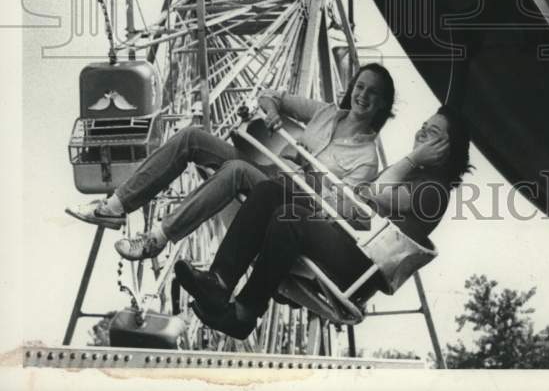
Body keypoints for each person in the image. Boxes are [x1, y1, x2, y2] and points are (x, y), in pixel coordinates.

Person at [174, 105, 471, 339]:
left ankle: (244, 313)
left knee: (289, 220)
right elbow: (364, 199)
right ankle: (219, 282)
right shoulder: (415, 175)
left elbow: (376, 194)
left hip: (360, 263)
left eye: (431, 133)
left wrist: (410, 158)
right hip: (346, 239)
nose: (421, 133)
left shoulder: (435, 190)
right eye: (423, 126)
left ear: (447, 149)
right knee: (270, 191)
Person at [65, 64, 395, 262]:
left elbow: (341, 207)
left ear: (382, 105)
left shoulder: (366, 157)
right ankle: (115, 205)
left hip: (296, 202)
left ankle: (155, 240)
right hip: (270, 175)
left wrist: (307, 171)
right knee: (192, 137)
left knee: (235, 170)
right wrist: (273, 112)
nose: (362, 96)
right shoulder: (325, 113)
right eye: (360, 86)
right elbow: (271, 95)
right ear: (352, 88)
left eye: (373, 93)